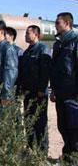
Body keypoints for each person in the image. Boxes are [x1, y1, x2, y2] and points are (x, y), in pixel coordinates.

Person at [18, 25, 50, 152]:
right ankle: (31, 148)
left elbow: (45, 71)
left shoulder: (43, 49)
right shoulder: (27, 52)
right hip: (28, 93)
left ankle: (42, 151)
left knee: (40, 122)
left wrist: (42, 89)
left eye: (28, 33)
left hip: (39, 93)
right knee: (28, 121)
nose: (25, 35)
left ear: (36, 34)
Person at [50, 12, 78, 156]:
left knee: (74, 128)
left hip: (73, 94)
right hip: (60, 92)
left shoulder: (75, 41)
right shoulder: (58, 44)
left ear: (67, 23)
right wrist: (53, 89)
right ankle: (68, 156)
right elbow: (55, 69)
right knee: (63, 126)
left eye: (57, 23)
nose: (55, 25)